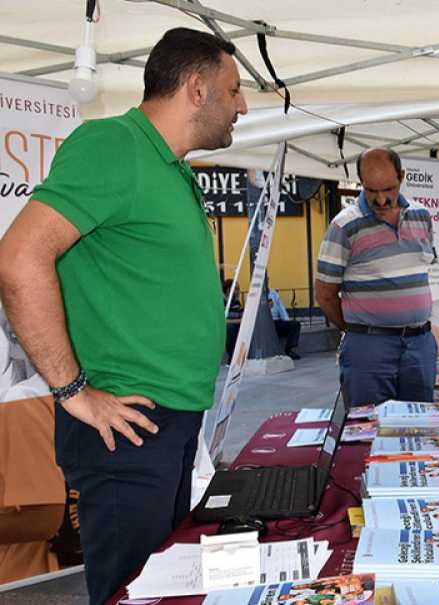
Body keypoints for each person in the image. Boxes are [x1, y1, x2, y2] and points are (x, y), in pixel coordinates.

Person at [0, 28, 247, 604]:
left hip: (167, 420)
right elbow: (18, 259)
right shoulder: (112, 146)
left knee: (162, 587)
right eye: (233, 90)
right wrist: (73, 391)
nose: (241, 105)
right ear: (196, 87)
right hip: (127, 426)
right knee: (132, 593)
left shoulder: (171, 167)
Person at [315, 148, 437, 406]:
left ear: (402, 177)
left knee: (422, 427)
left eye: (388, 189)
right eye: (371, 191)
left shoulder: (421, 216)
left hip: (420, 344)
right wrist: (358, 332)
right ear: (361, 183)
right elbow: (325, 295)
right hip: (369, 347)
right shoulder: (343, 226)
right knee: (367, 430)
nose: (381, 199)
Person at [268, 288, 302, 359]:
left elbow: (281, 308)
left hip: (276, 321)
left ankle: (289, 349)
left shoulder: (273, 293)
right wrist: (266, 307)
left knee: (295, 324)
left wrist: (286, 321)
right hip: (265, 323)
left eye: (266, 280)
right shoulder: (255, 295)